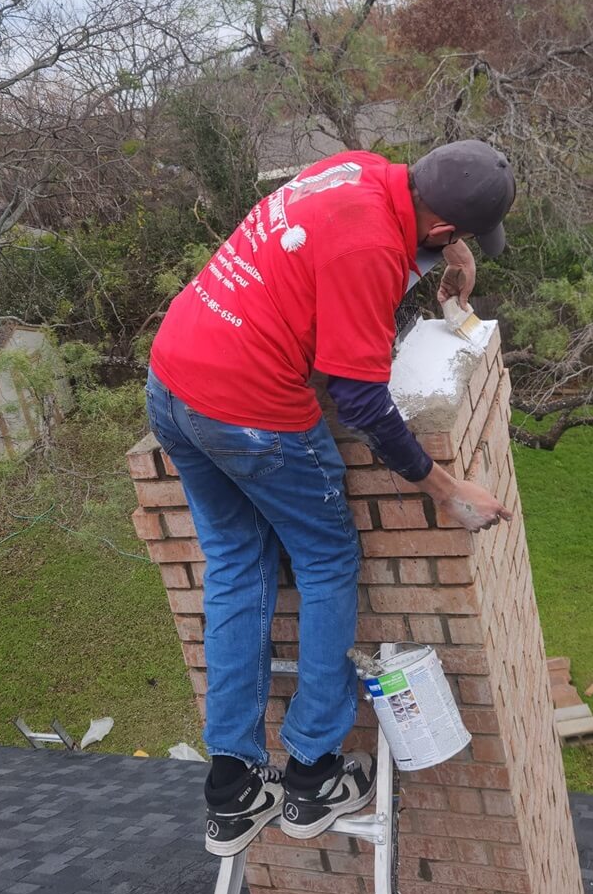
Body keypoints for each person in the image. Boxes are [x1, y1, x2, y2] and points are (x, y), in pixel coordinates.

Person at [146, 140, 516, 856]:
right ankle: (313, 772)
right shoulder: (374, 253)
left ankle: (234, 787)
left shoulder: (354, 170)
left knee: (234, 565)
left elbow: (350, 249)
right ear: (443, 229)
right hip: (250, 415)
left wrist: (442, 261)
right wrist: (443, 489)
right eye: (459, 240)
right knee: (324, 562)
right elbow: (361, 399)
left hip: (174, 382)